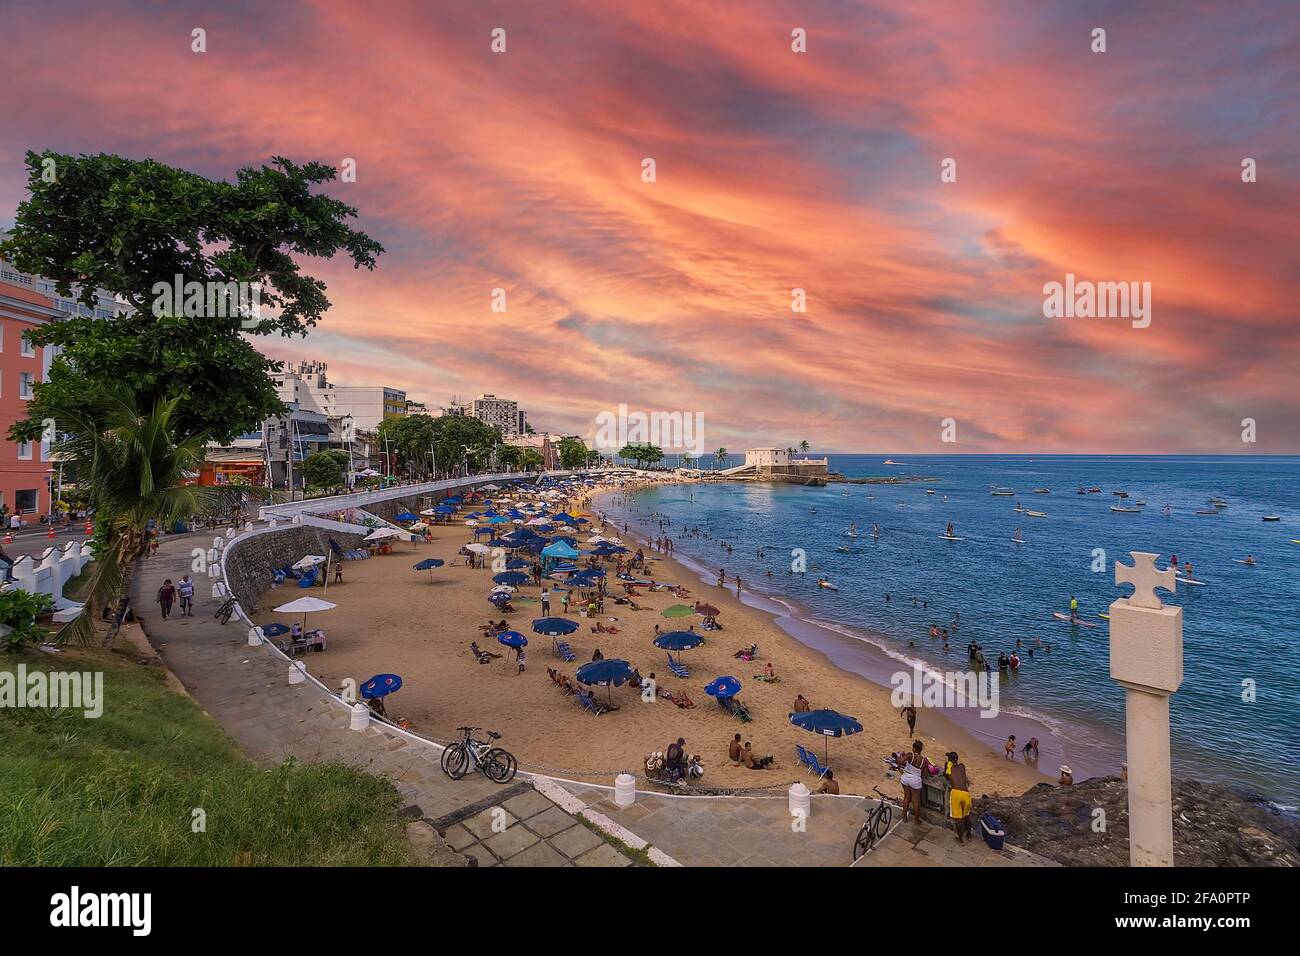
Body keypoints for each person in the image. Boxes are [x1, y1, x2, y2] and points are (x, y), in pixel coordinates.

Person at [945, 752, 973, 843]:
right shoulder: (962, 766)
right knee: (967, 815)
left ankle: (960, 839)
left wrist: (948, 764)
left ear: (950, 760)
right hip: (966, 793)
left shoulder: (949, 766)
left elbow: (946, 775)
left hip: (956, 793)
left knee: (959, 818)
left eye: (949, 759)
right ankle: (969, 834)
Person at [900, 740, 927, 822]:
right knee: (916, 801)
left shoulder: (910, 755)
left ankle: (904, 817)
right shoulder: (924, 760)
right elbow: (924, 773)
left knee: (906, 798)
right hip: (915, 780)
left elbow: (900, 761)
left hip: (905, 778)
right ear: (920, 750)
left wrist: (898, 767)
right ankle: (916, 819)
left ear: (914, 748)